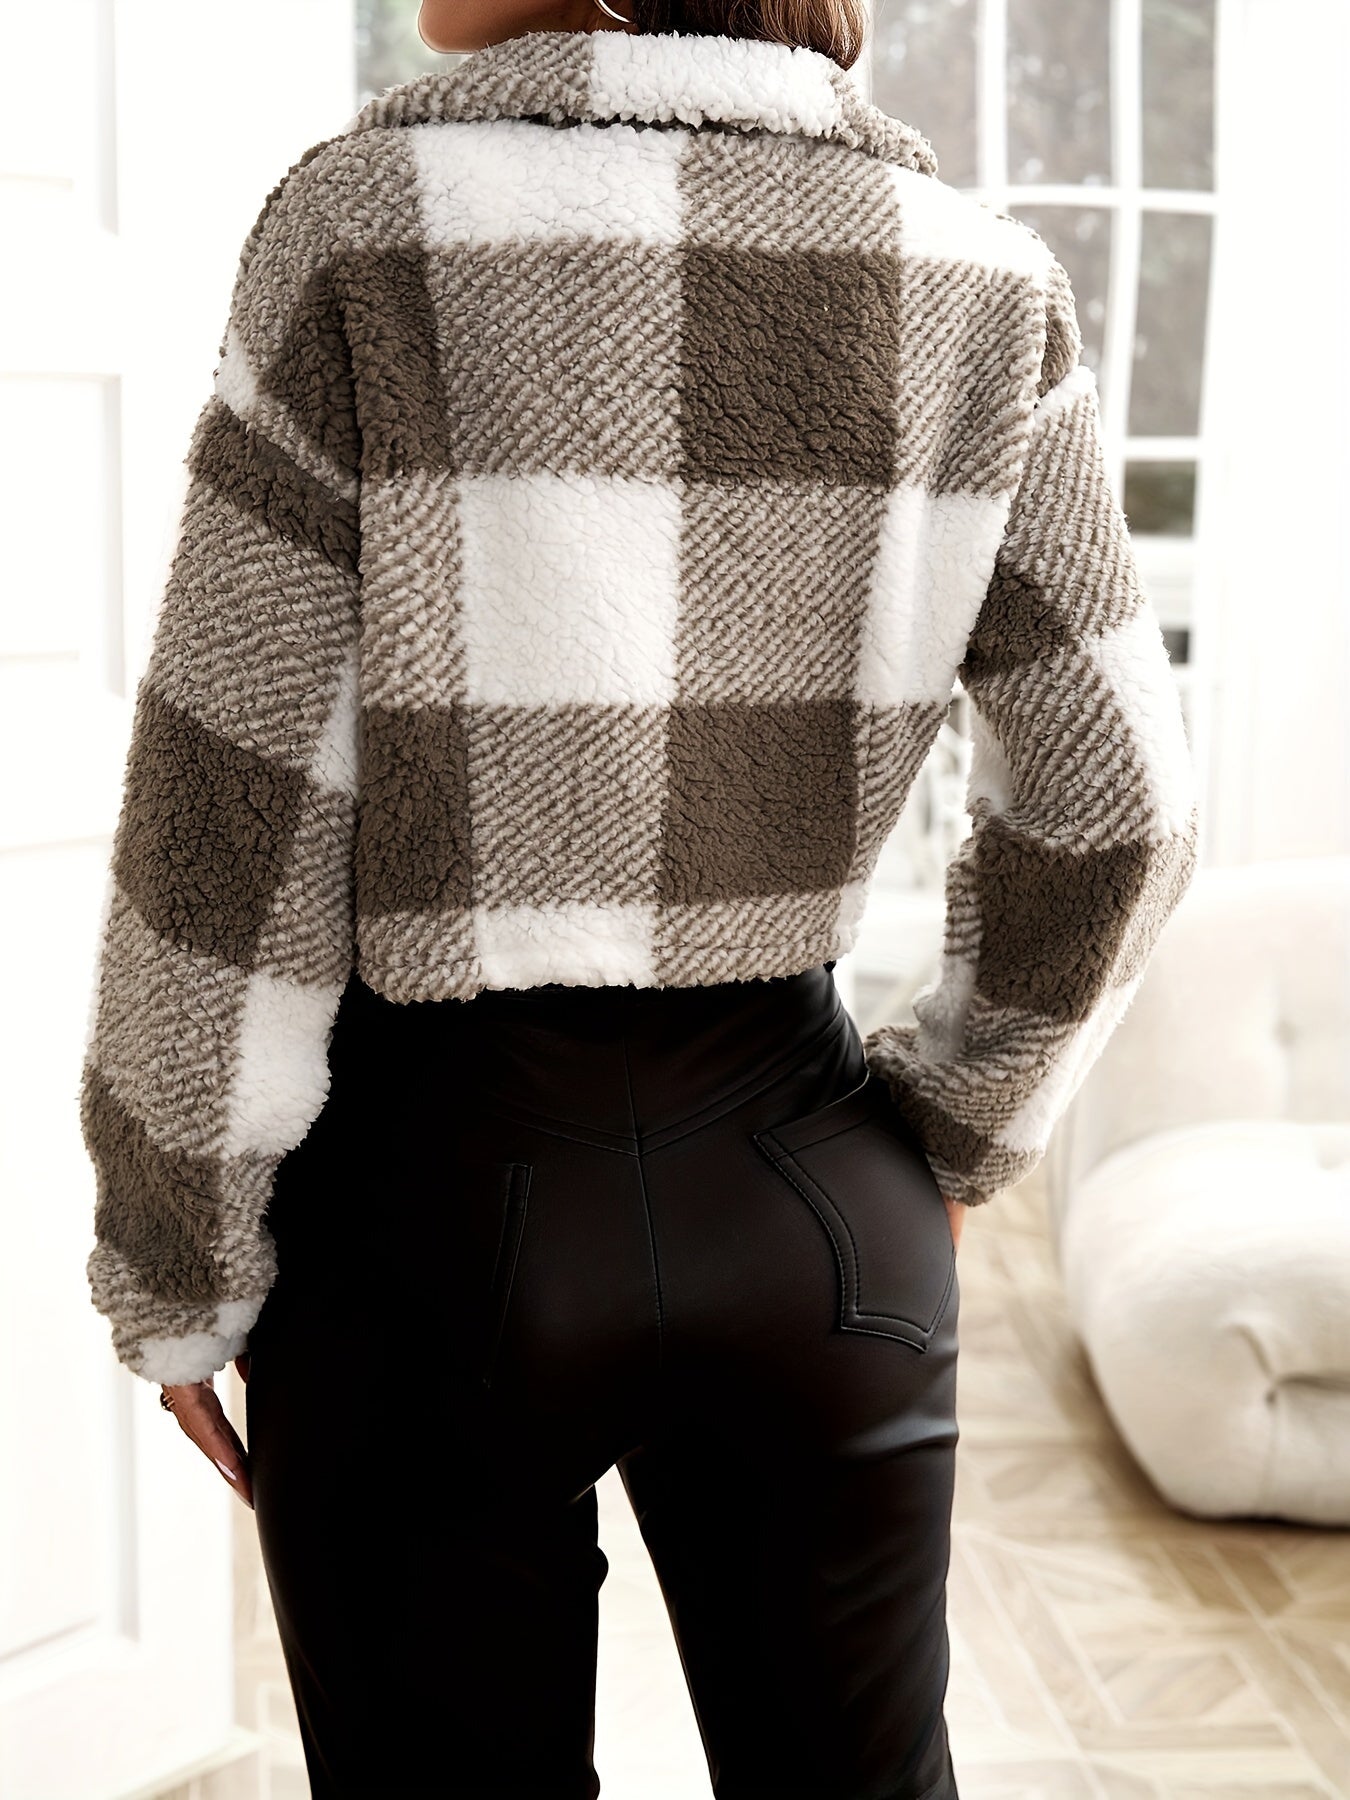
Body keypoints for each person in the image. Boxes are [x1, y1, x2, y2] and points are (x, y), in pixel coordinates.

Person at [77, 0, 1199, 1793]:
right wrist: (946, 1138)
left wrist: (175, 1256)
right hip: (807, 1187)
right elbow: (1122, 802)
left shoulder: (366, 225)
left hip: (430, 1206)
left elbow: (233, 810)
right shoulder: (979, 279)